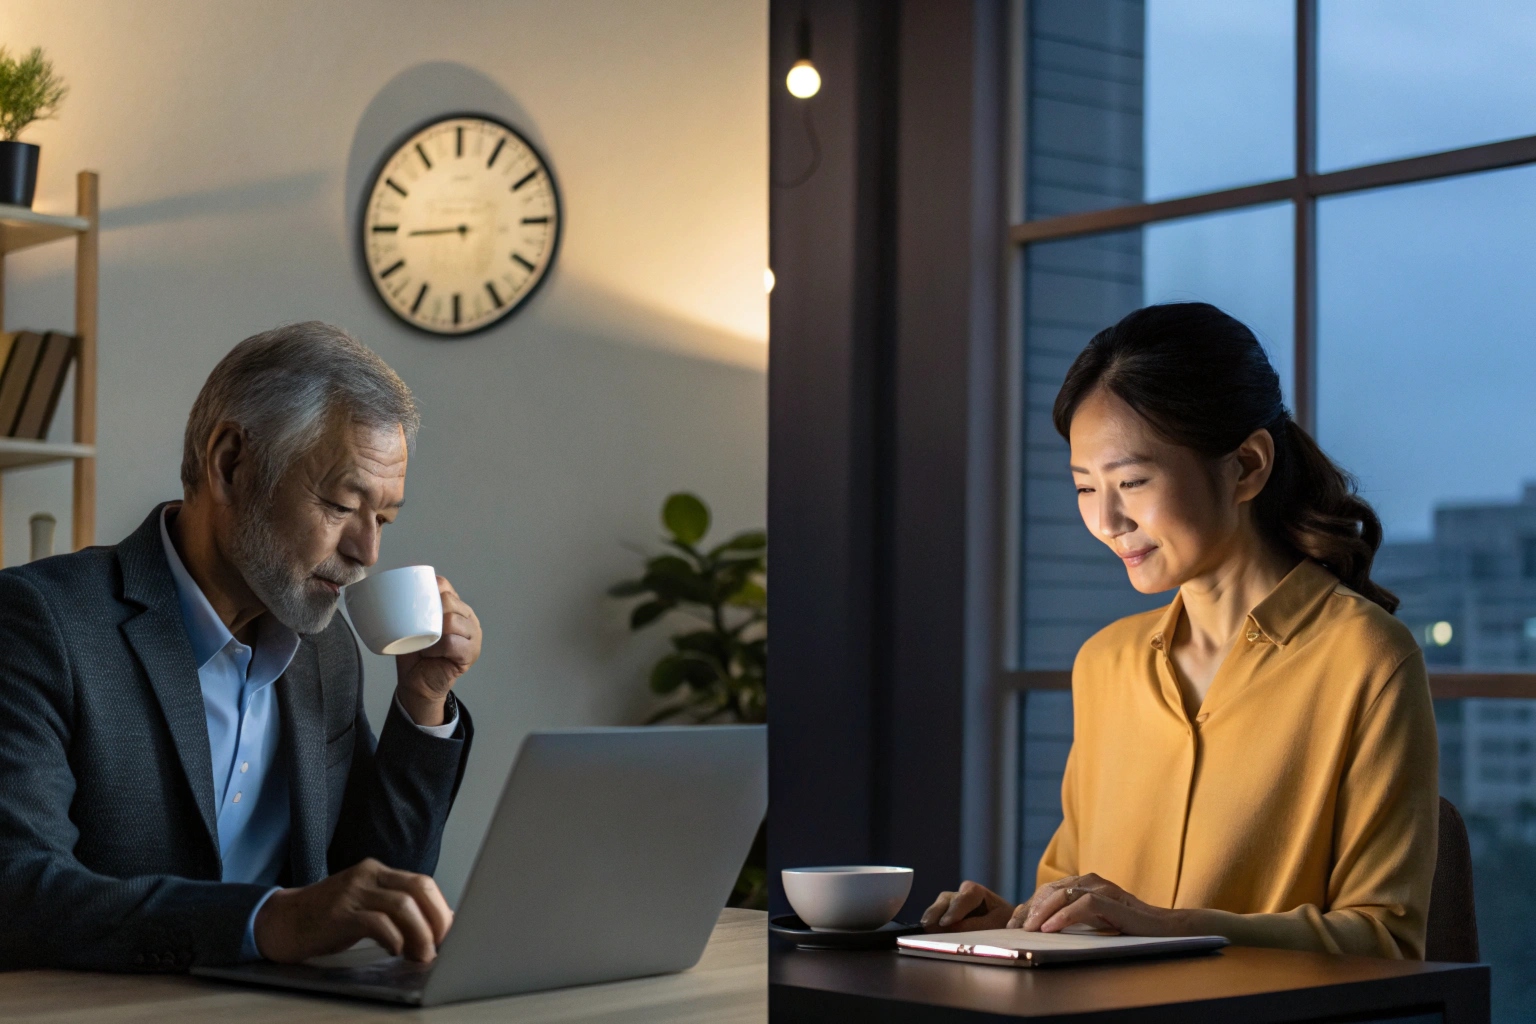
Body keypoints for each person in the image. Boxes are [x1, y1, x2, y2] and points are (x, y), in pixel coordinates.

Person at [921, 303, 1437, 959]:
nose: (1108, 520)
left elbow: (1385, 940)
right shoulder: (1105, 664)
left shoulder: (1366, 659)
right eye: (1084, 487)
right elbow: (1079, 905)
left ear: (1247, 466)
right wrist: (1013, 925)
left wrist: (1169, 926)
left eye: (1132, 481)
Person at [0, 323, 482, 970]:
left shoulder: (325, 649)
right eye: (343, 504)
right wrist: (266, 921)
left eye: (385, 519)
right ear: (230, 464)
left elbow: (370, 888)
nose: (366, 552)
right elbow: (19, 891)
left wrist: (424, 702)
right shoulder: (39, 624)